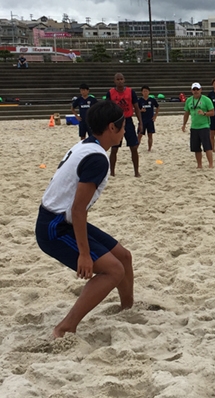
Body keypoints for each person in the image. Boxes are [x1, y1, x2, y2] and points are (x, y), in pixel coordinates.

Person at [35, 100, 134, 338]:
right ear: (112, 127)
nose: (126, 129)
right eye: (124, 125)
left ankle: (127, 309)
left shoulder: (86, 144)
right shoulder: (97, 158)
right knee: (113, 270)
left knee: (124, 256)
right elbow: (78, 209)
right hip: (54, 227)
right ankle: (64, 328)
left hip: (62, 218)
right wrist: (84, 253)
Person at [106, 73, 143, 177]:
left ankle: (136, 172)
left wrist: (140, 122)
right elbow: (107, 109)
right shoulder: (110, 93)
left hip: (128, 121)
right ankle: (112, 172)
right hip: (116, 121)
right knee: (114, 148)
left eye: (121, 79)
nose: (120, 81)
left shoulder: (131, 92)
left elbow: (136, 108)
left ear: (124, 80)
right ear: (114, 81)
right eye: (117, 79)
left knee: (134, 147)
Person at [182, 82, 215, 168]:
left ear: (201, 90)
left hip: (204, 126)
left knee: (207, 147)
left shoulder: (206, 100)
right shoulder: (189, 100)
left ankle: (210, 164)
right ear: (191, 90)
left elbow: (212, 112)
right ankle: (199, 165)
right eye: (194, 89)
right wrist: (184, 124)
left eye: (197, 89)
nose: (196, 91)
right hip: (194, 127)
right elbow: (186, 113)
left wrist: (204, 113)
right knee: (196, 148)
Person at [137, 85, 160, 152]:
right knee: (139, 135)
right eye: (144, 91)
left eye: (146, 91)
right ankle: (136, 148)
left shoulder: (152, 100)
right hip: (142, 120)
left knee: (150, 135)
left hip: (150, 120)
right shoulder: (139, 101)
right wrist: (141, 110)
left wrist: (155, 115)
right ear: (142, 92)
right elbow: (136, 110)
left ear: (149, 92)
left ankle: (149, 149)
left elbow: (157, 107)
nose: (145, 92)